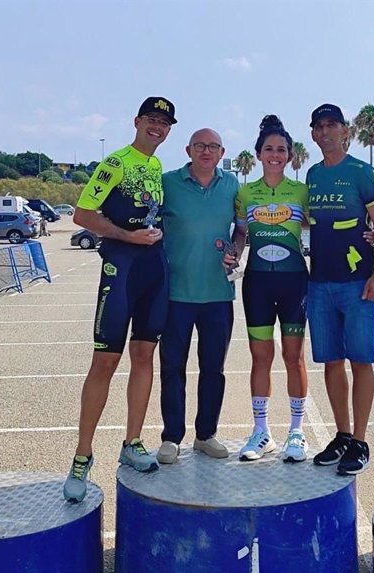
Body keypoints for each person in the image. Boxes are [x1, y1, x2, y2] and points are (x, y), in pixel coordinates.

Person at [63, 96, 177, 503]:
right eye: (151, 120)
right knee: (105, 361)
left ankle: (132, 443)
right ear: (137, 121)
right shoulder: (116, 162)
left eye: (164, 123)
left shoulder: (157, 166)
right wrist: (128, 237)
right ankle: (82, 455)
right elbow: (82, 214)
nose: (157, 127)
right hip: (121, 269)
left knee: (144, 357)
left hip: (154, 272)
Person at [305, 103, 374, 476]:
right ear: (313, 134)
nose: (325, 132)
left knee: (360, 360)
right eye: (319, 126)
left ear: (345, 131)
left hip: (358, 282)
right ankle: (341, 434)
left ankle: (359, 440)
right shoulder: (310, 175)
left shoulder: (361, 171)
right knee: (331, 361)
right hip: (319, 281)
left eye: (332, 125)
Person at [156, 128, 240, 465]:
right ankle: (171, 437)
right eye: (200, 146)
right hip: (175, 293)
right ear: (188, 149)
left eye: (213, 147)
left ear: (222, 153)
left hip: (219, 294)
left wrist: (236, 248)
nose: (206, 151)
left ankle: (206, 435)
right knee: (172, 368)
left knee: (213, 369)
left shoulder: (233, 185)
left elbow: (243, 228)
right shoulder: (167, 183)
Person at [231, 115, 310, 463]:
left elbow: (324, 229)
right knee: (260, 357)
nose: (275, 154)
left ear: (289, 156)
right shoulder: (246, 193)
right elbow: (240, 234)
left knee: (293, 357)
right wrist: (231, 253)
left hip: (295, 281)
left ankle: (297, 432)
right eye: (269, 149)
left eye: (281, 149)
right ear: (259, 154)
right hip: (258, 282)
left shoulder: (302, 192)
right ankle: (261, 432)